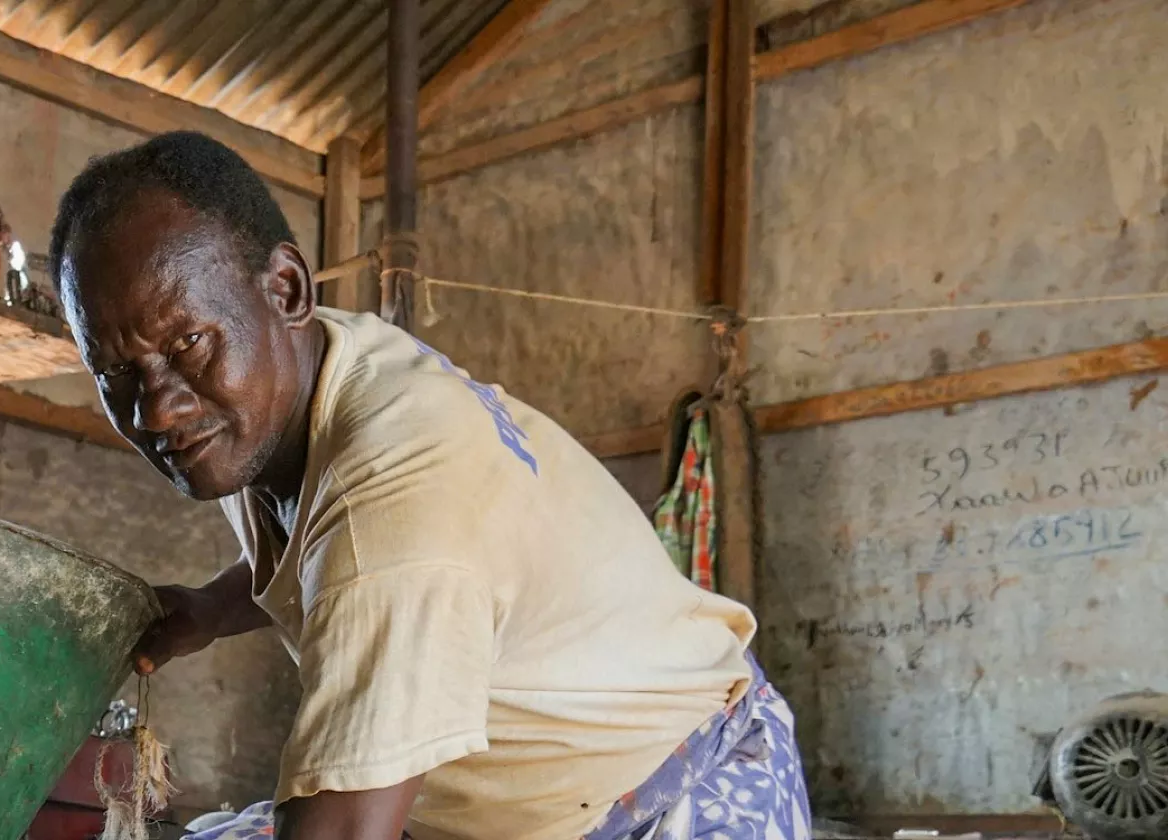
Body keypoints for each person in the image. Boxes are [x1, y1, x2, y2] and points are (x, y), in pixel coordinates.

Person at [48, 131, 811, 840]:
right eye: (117, 375)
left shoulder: (397, 505)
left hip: (674, 791)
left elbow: (345, 828)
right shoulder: (312, 380)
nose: (157, 409)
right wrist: (208, 610)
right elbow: (320, 545)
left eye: (188, 345)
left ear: (285, 290)